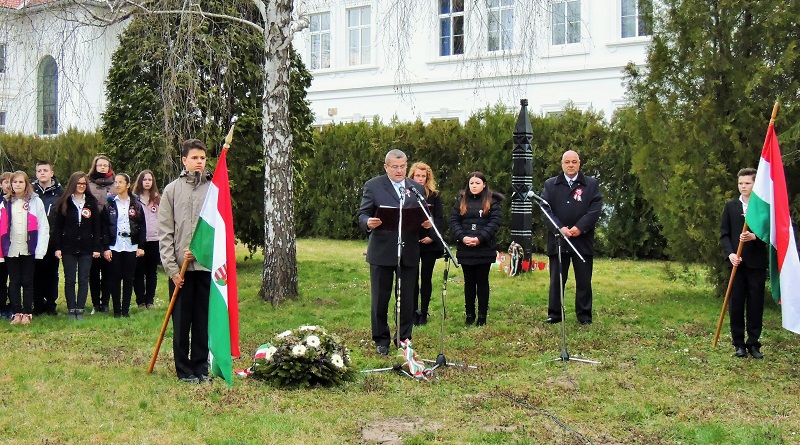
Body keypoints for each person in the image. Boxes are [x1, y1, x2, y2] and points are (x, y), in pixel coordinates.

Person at [357, 149, 429, 355]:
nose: (399, 171)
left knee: (407, 297)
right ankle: (381, 339)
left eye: (403, 166)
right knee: (381, 297)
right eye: (395, 167)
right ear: (386, 167)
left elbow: (425, 214)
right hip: (382, 249)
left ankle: (403, 338)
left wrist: (426, 224)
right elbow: (363, 214)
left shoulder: (416, 188)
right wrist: (368, 222)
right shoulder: (373, 186)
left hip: (409, 250)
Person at [159, 139, 212, 383]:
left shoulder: (213, 190)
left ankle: (201, 366)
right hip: (181, 269)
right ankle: (184, 369)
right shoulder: (172, 190)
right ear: (184, 161)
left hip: (205, 266)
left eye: (202, 158)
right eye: (195, 158)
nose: (199, 162)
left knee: (202, 319)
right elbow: (166, 232)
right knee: (181, 321)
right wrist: (172, 269)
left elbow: (217, 229)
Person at [540, 150, 602, 325]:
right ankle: (555, 314)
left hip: (582, 241)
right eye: (567, 162)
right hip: (559, 240)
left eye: (574, 162)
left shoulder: (591, 185)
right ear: (562, 164)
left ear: (579, 163)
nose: (570, 165)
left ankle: (584, 315)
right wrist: (560, 228)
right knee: (557, 280)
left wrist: (579, 228)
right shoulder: (550, 185)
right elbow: (545, 210)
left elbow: (594, 210)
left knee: (583, 280)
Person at [720, 168, 768, 359]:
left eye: (747, 183)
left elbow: (770, 234)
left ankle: (753, 344)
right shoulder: (731, 207)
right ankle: (738, 344)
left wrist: (755, 237)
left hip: (756, 264)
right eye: (740, 183)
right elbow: (724, 234)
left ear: (755, 184)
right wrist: (731, 254)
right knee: (736, 304)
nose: (743, 186)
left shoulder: (762, 208)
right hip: (737, 265)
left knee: (755, 305)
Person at [449, 171, 503, 326]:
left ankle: (482, 316)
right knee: (469, 282)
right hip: (465, 248)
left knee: (482, 281)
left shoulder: (492, 201)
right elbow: (454, 221)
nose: (474, 186)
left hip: (484, 248)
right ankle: (469, 314)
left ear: (484, 185)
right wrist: (462, 237)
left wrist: (480, 238)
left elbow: (495, 222)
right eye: (471, 183)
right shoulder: (461, 200)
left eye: (477, 183)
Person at [0, 171, 50, 325]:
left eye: (21, 182)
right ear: (11, 184)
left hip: (29, 248)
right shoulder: (5, 203)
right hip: (11, 248)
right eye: (14, 182)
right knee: (14, 281)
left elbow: (43, 227)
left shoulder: (35, 202)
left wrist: (40, 250)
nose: (17, 185)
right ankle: (16, 312)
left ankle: (27, 312)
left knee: (28, 281)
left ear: (26, 184)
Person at [52, 172, 102, 320]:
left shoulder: (91, 202)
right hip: (68, 247)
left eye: (84, 184)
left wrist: (96, 247)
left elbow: (96, 227)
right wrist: (58, 247)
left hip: (87, 247)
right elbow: (58, 227)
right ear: (73, 184)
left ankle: (80, 309)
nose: (81, 186)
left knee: (83, 278)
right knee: (70, 279)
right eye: (79, 183)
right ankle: (71, 309)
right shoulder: (65, 202)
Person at [102, 174, 146, 318]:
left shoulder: (136, 204)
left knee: (128, 278)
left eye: (121, 182)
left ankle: (125, 310)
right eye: (116, 182)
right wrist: (106, 248)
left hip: (131, 245)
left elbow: (142, 226)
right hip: (115, 245)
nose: (118, 185)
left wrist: (141, 245)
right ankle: (116, 310)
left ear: (128, 185)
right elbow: (105, 228)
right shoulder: (110, 205)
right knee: (114, 278)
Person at [408, 162, 444, 326]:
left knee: (426, 278)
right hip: (413, 241)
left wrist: (432, 236)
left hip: (429, 242)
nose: (420, 179)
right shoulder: (407, 194)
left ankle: (424, 311)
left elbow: (439, 218)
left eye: (423, 176)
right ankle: (413, 311)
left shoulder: (434, 195)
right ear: (412, 176)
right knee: (412, 278)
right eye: (418, 176)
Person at [32, 160, 63, 315]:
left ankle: (51, 304)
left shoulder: (60, 192)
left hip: (52, 239)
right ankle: (37, 303)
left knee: (52, 273)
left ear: (52, 173)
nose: (42, 173)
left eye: (45, 170)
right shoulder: (30, 191)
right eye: (39, 171)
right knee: (36, 273)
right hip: (34, 239)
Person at [87, 155, 115, 313]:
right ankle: (95, 302)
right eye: (100, 165)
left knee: (108, 271)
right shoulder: (88, 183)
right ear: (95, 166)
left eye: (106, 165)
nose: (103, 167)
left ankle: (105, 302)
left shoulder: (115, 184)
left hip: (110, 230)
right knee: (93, 271)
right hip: (91, 229)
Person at [132, 170, 161, 309]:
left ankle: (150, 300)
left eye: (150, 179)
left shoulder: (157, 199)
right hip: (139, 240)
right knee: (138, 271)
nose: (147, 182)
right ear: (140, 181)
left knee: (151, 272)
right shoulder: (134, 199)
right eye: (145, 180)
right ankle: (140, 301)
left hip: (154, 239)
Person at [0, 172, 11, 319]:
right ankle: (2, 306)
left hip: (15, 245)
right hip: (1, 248)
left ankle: (13, 305)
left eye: (11, 181)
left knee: (14, 279)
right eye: (5, 182)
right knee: (1, 279)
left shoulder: (18, 201)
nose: (8, 184)